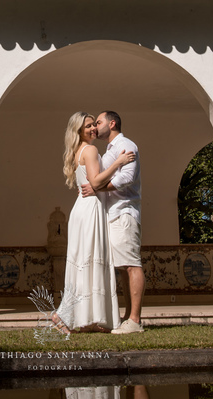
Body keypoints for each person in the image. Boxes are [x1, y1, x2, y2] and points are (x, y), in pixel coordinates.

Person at [52, 111, 134, 334]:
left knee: (84, 261)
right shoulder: (90, 149)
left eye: (93, 125)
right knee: (91, 260)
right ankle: (64, 314)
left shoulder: (78, 150)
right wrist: (118, 162)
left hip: (82, 207)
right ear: (79, 130)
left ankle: (87, 318)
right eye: (88, 126)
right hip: (90, 209)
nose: (93, 129)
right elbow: (96, 180)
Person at [82, 110, 144, 334]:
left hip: (124, 212)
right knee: (122, 267)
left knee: (131, 264)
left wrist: (98, 187)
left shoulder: (127, 145)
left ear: (112, 122)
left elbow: (127, 178)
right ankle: (128, 317)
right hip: (111, 214)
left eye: (98, 122)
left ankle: (135, 320)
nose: (96, 127)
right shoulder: (109, 151)